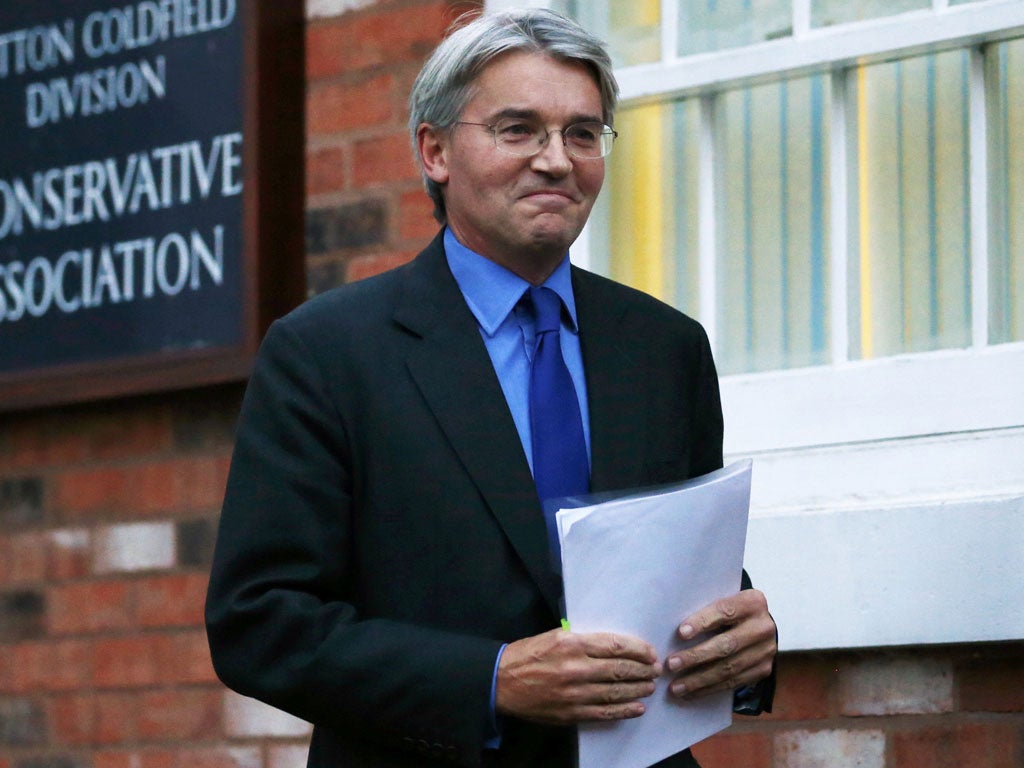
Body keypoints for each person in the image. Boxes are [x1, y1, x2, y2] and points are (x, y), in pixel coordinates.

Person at [205, 8, 777, 768]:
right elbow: (261, 625)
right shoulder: (326, 353)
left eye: (582, 133)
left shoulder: (665, 348)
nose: (556, 160)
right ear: (435, 151)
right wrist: (492, 680)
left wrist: (745, 639)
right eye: (518, 130)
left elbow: (680, 566)